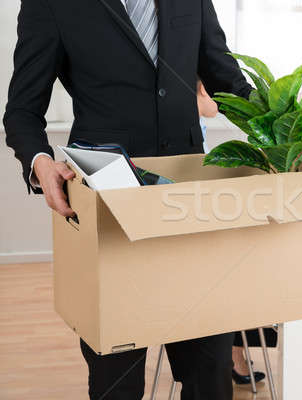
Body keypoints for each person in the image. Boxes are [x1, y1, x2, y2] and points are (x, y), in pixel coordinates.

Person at [4, 0, 252, 398]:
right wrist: (40, 162)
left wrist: (285, 131)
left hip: (190, 210)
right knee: (116, 380)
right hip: (107, 210)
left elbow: (228, 82)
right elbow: (21, 111)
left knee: (211, 372)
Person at [195, 80, 268, 385]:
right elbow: (209, 106)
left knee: (242, 266)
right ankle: (234, 355)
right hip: (188, 180)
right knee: (231, 270)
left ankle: (236, 353)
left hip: (201, 172)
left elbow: (209, 105)